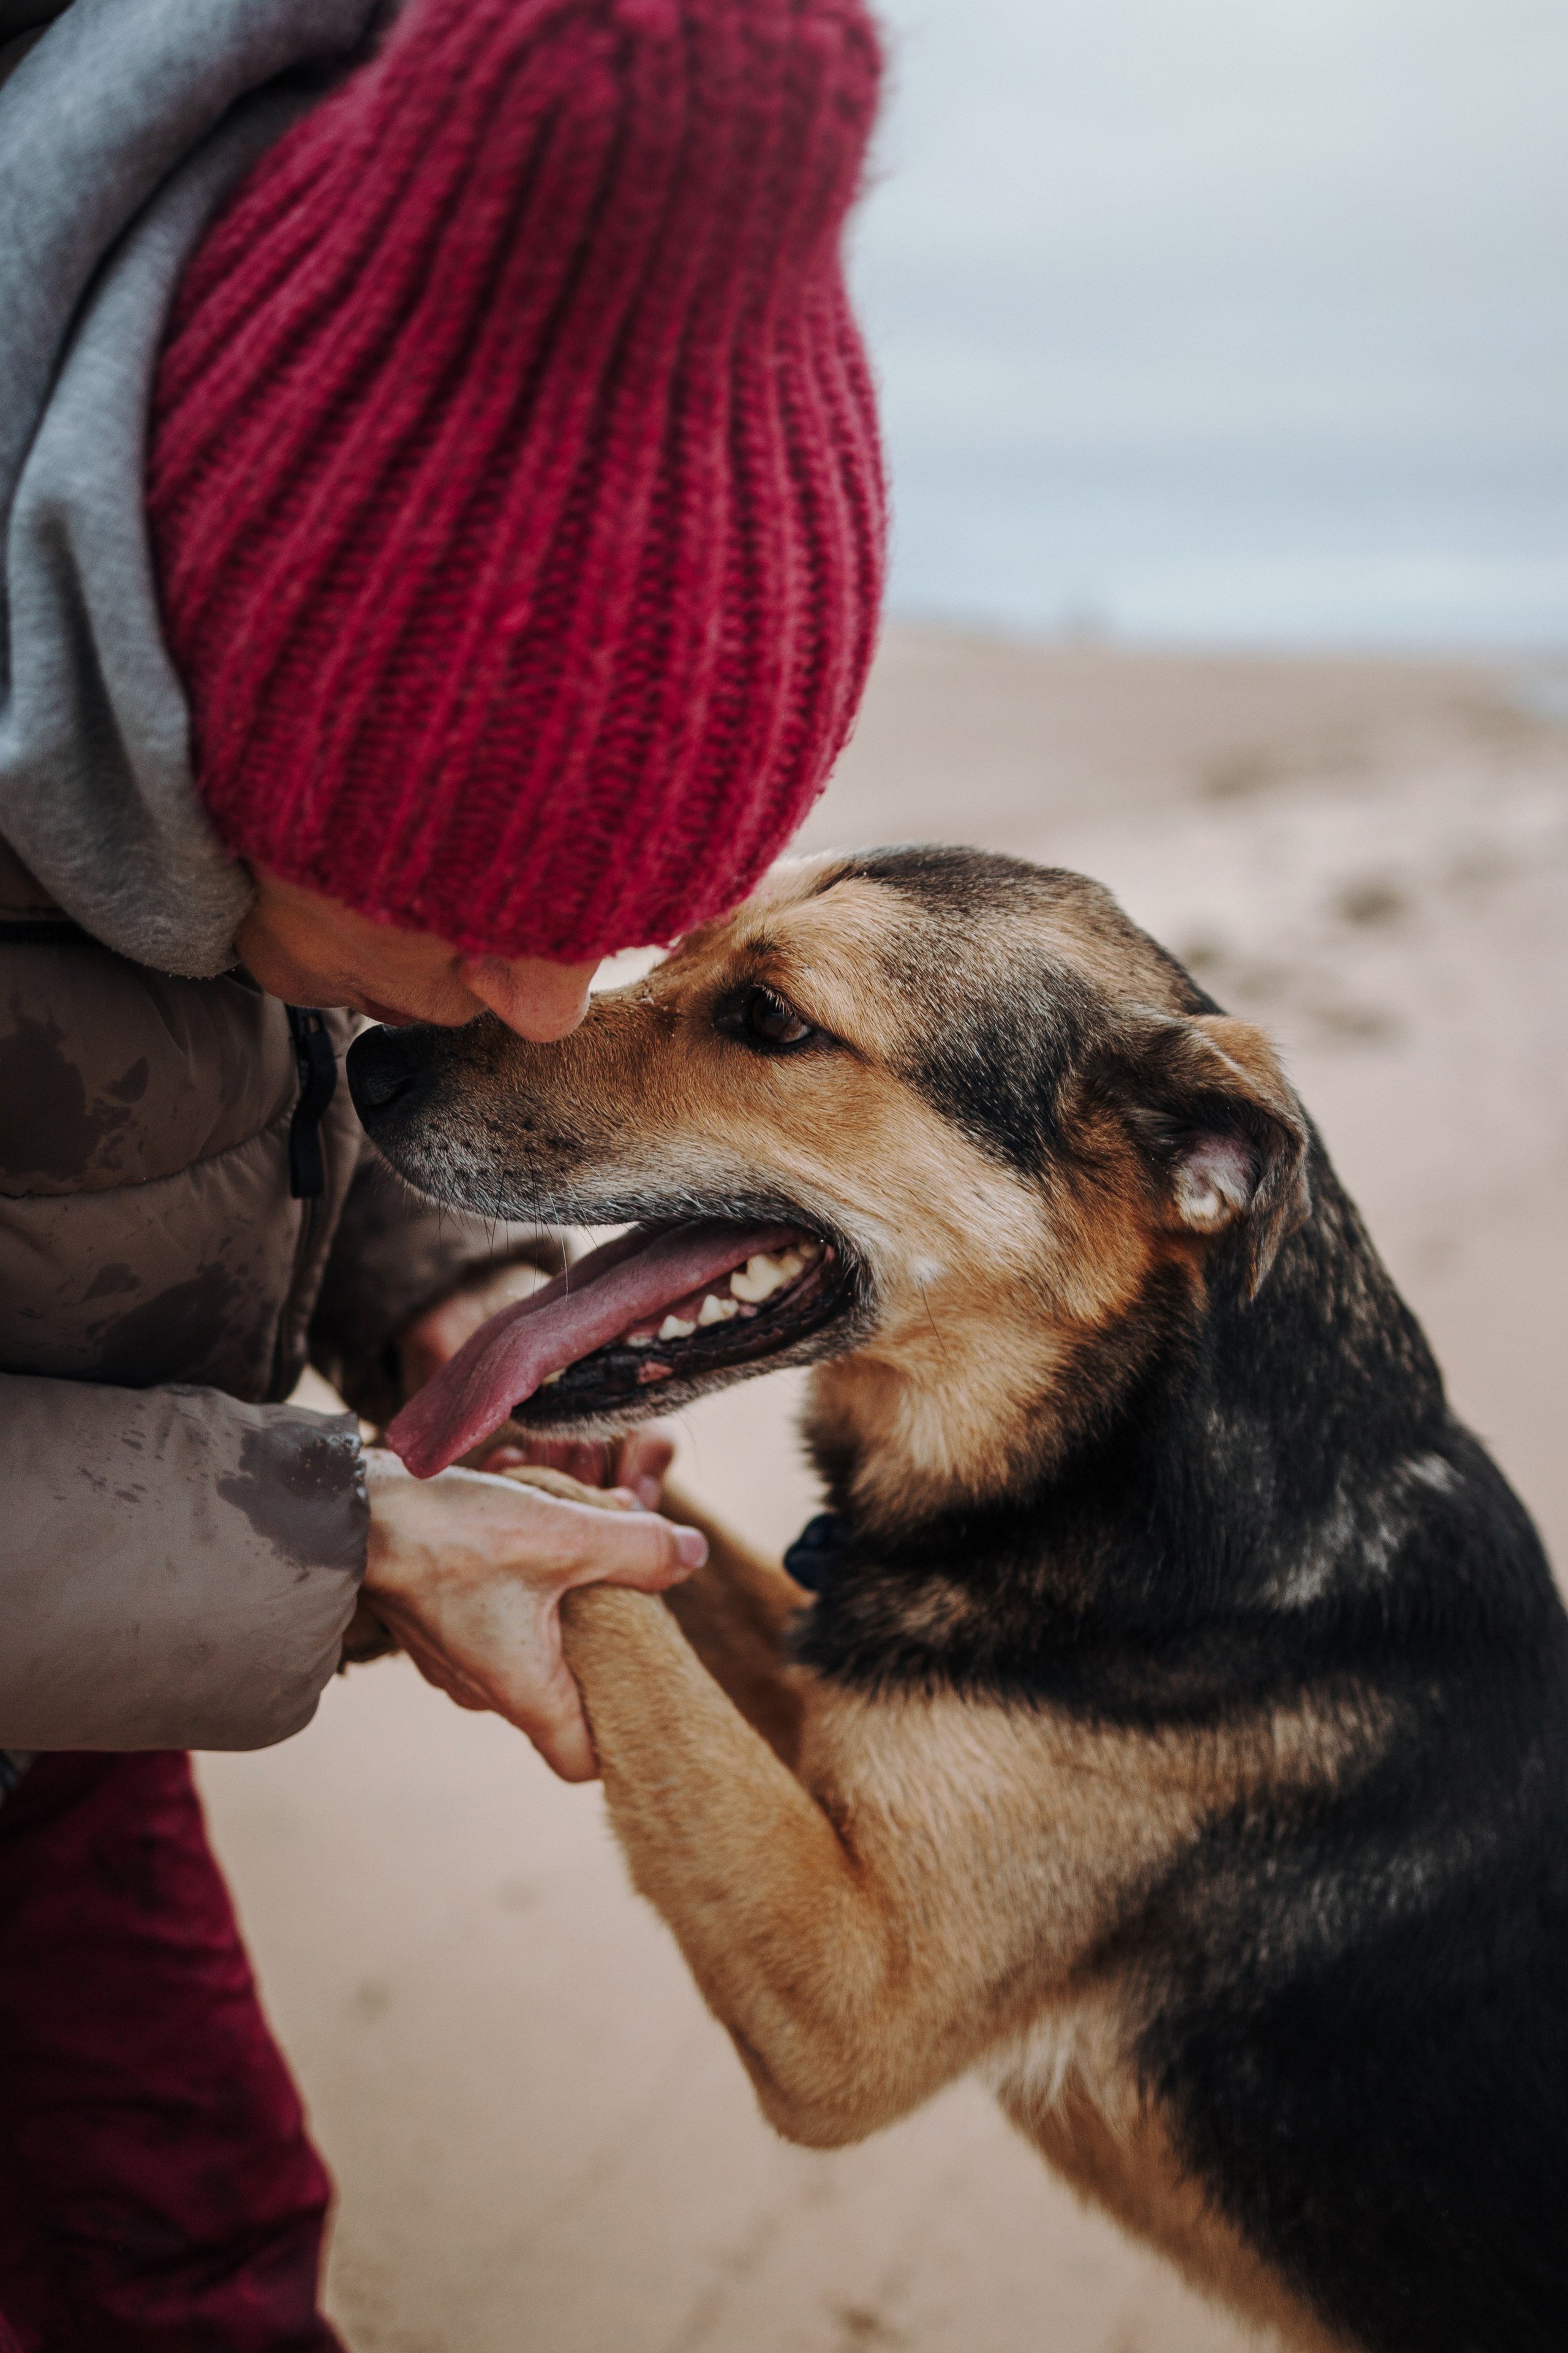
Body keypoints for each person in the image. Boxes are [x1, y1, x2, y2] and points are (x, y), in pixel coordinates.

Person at [0, 0, 884, 2343]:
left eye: (609, 931)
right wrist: (345, 1537)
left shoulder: (212, 754)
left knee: (200, 2241)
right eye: (487, 916)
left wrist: (439, 1293)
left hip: (61, 1707)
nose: (544, 1004)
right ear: (213, 704)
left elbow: (235, 1036)